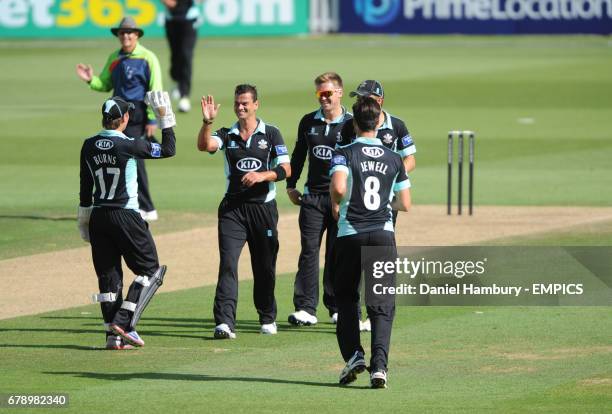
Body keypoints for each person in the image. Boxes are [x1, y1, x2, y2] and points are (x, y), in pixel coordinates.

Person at [77, 92, 177, 349]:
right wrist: (166, 117)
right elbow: (168, 149)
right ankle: (124, 321)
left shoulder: (88, 145)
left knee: (108, 278)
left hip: (98, 216)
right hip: (125, 215)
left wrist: (83, 220)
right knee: (151, 270)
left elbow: (85, 186)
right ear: (124, 118)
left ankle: (113, 337)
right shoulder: (129, 144)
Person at [197, 84, 291, 339]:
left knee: (264, 267)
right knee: (228, 263)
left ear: (256, 105)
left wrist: (262, 176)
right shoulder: (227, 134)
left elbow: (286, 169)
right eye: (237, 103)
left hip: (263, 210)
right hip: (233, 210)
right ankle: (224, 322)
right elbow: (205, 146)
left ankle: (267, 316)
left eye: (245, 103)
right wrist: (207, 123)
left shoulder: (271, 134)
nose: (240, 107)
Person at [330, 97, 411, 389]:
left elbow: (339, 188)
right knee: (381, 303)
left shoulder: (343, 153)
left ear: (353, 122)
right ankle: (379, 367)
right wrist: (385, 206)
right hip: (382, 234)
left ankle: (354, 355)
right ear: (378, 122)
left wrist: (336, 201)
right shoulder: (394, 158)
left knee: (346, 297)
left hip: (350, 233)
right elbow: (405, 203)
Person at [339, 79, 417, 332]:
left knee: (378, 260)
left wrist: (391, 180)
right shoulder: (352, 124)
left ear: (379, 100)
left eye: (365, 97)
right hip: (356, 203)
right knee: (356, 261)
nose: (360, 102)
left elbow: (410, 159)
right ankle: (356, 313)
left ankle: (376, 314)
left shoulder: (397, 125)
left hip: (385, 203)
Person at [76, 16, 163, 221]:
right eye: (122, 33)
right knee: (118, 156)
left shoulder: (148, 57)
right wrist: (91, 79)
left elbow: (155, 88)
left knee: (134, 157)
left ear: (137, 35)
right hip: (115, 114)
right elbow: (105, 84)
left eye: (129, 32)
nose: (125, 36)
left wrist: (152, 119)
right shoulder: (114, 57)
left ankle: (147, 208)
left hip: (137, 114)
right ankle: (125, 202)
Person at [285, 72, 351, 327]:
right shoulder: (308, 121)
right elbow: (299, 154)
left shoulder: (351, 124)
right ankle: (305, 308)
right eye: (319, 94)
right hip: (312, 197)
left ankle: (336, 307)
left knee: (337, 253)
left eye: (328, 93)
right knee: (309, 251)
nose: (323, 98)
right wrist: (291, 185)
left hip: (342, 199)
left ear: (339, 93)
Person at [161, 0, 201, 113]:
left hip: (189, 19)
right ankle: (175, 80)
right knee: (175, 56)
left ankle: (184, 96)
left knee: (186, 56)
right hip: (171, 19)